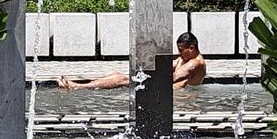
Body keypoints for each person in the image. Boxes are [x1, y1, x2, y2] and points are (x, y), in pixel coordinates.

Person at [57, 32, 206, 90]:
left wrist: (144, 78)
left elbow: (173, 77)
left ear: (191, 48)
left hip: (180, 97)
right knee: (119, 75)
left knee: (122, 79)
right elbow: (161, 69)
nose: (179, 53)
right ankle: (82, 85)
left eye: (181, 49)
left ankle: (77, 86)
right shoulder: (182, 59)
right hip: (166, 91)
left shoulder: (196, 63)